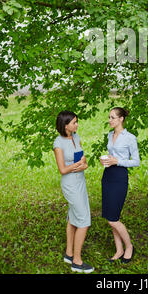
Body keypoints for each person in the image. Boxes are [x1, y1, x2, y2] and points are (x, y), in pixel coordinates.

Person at [53, 110, 94, 274]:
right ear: (65, 125)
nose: (77, 125)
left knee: (72, 217)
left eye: (77, 121)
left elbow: (84, 160)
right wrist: (77, 166)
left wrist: (81, 165)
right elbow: (62, 169)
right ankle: (77, 262)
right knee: (84, 220)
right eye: (74, 122)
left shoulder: (76, 137)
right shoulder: (58, 143)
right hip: (70, 184)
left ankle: (69, 254)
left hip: (80, 182)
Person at [100, 107, 140, 263]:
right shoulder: (110, 135)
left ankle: (129, 247)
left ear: (121, 119)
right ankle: (119, 250)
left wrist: (118, 161)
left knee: (113, 219)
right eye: (109, 117)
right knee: (111, 216)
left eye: (113, 118)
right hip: (108, 175)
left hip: (120, 177)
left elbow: (136, 161)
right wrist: (109, 159)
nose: (110, 120)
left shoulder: (130, 138)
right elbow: (113, 155)